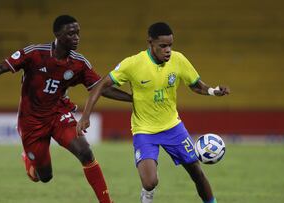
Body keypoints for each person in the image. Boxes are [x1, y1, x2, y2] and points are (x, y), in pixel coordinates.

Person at [0, 15, 133, 203]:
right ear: (57, 35)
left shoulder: (79, 63)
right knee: (44, 176)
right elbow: (1, 67)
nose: (76, 37)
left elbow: (101, 88)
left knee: (85, 152)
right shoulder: (35, 53)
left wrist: (133, 99)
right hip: (31, 121)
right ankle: (29, 160)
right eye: (71, 34)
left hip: (58, 114)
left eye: (78, 33)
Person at [77, 22, 230, 203]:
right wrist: (86, 116)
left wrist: (213, 91)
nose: (168, 50)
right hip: (145, 131)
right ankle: (147, 193)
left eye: (170, 45)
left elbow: (196, 85)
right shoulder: (133, 64)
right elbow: (100, 86)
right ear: (150, 43)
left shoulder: (178, 60)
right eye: (163, 46)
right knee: (150, 182)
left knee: (196, 172)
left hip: (173, 127)